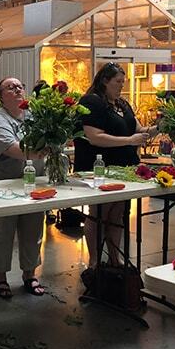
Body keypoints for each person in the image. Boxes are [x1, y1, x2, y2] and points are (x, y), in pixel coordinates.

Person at [74, 63, 157, 269]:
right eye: (118, 82)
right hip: (100, 168)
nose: (122, 85)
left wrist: (160, 127)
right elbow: (94, 137)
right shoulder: (92, 102)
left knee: (118, 212)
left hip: (124, 169)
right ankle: (94, 261)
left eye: (123, 82)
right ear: (104, 81)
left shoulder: (122, 104)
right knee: (99, 213)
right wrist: (130, 140)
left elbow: (139, 130)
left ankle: (114, 256)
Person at [0, 77, 47, 299]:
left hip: (34, 183)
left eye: (20, 86)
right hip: (5, 185)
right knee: (3, 231)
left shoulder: (33, 115)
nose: (18, 89)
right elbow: (15, 149)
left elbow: (51, 136)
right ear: (1, 97)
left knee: (33, 230)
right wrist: (43, 150)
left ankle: (29, 274)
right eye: (10, 87)